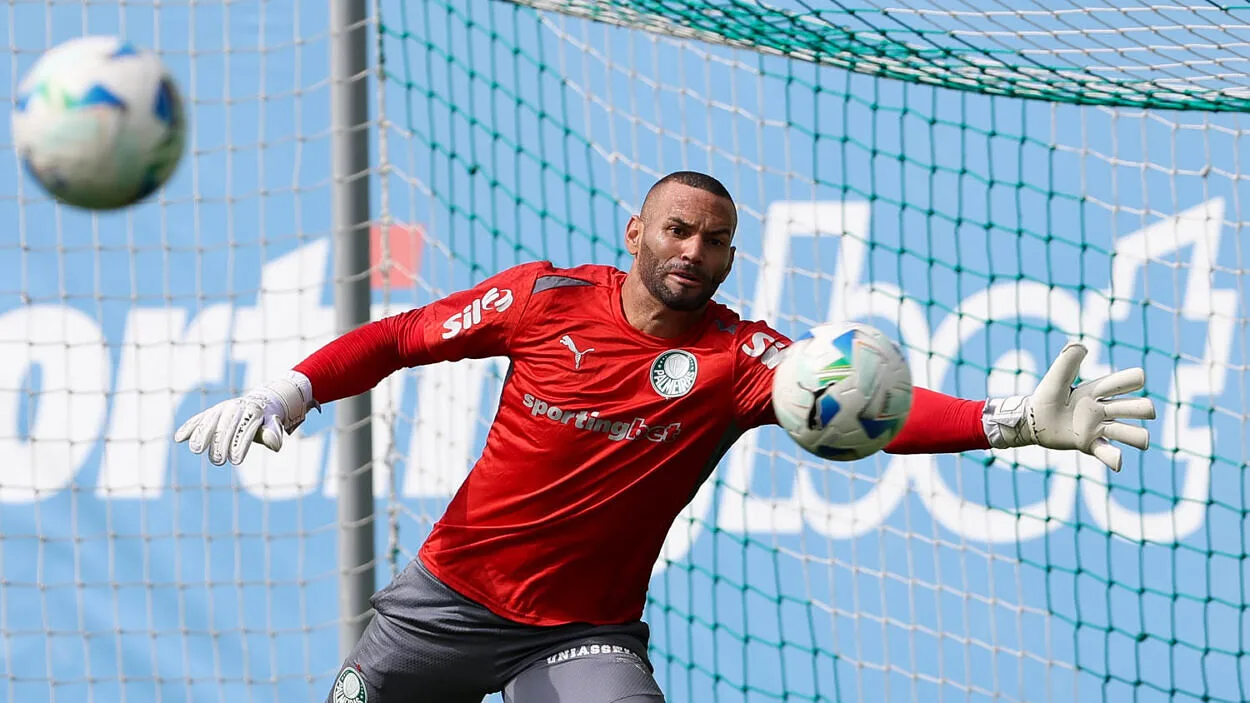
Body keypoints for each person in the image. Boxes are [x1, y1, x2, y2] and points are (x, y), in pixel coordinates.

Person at [174, 171, 1155, 702]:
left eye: (714, 238)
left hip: (577, 635)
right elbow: (396, 337)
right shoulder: (539, 299)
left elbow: (867, 407)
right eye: (677, 230)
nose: (694, 251)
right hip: (442, 608)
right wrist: (288, 391)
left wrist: (1009, 418)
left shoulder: (743, 359)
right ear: (635, 233)